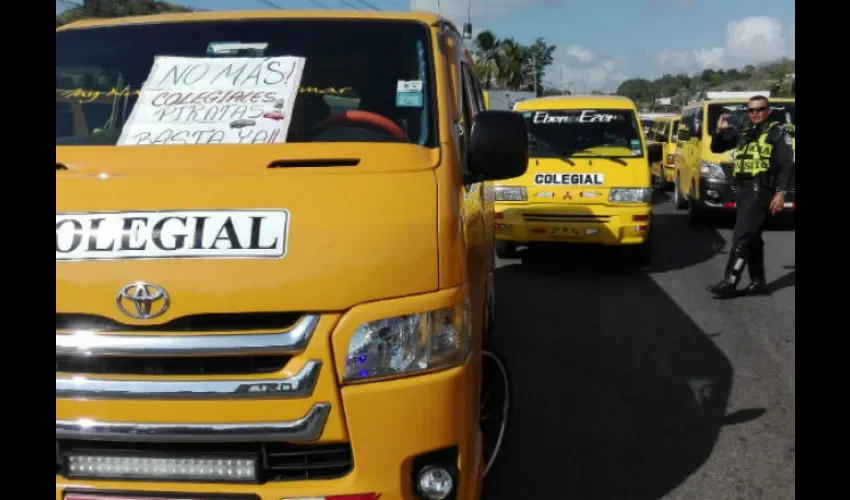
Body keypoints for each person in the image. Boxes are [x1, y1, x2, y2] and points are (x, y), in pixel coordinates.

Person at [706, 95, 795, 297]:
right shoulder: (744, 131)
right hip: (743, 190)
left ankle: (730, 281)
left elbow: (786, 166)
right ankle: (758, 282)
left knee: (742, 235)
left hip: (760, 191)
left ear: (768, 110)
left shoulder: (777, 133)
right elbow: (717, 147)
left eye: (759, 109)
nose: (755, 113)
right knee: (753, 236)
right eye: (751, 110)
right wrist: (719, 132)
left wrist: (780, 194)